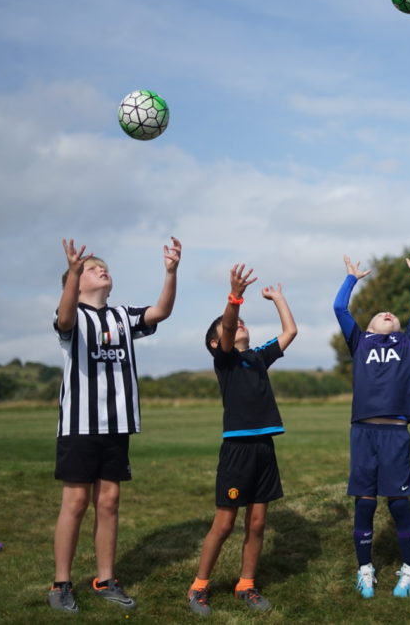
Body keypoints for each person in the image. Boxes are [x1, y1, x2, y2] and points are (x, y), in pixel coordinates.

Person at [49, 237, 181, 613]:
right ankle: (61, 583)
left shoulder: (122, 316)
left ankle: (105, 579)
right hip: (79, 426)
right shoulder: (71, 314)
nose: (101, 269)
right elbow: (64, 318)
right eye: (92, 268)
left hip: (117, 425)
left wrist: (170, 272)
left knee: (109, 502)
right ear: (73, 282)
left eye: (102, 266)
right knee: (75, 503)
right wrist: (74, 274)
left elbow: (160, 312)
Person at [187, 264, 298, 616]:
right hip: (236, 451)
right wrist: (234, 297)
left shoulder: (257, 359)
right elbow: (230, 324)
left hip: (264, 448)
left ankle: (246, 585)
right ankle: (199, 587)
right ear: (215, 343)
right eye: (231, 327)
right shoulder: (227, 361)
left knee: (258, 522)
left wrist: (278, 298)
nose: (240, 326)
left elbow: (290, 331)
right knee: (225, 522)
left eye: (241, 322)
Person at [334, 252, 410, 598]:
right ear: (371, 327)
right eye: (379, 315)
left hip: (395, 433)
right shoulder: (359, 341)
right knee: (364, 502)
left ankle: (408, 569)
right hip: (363, 432)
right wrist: (351, 280)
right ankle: (365, 569)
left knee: (399, 503)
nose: (386, 314)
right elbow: (340, 310)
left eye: (391, 315)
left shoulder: (407, 343)